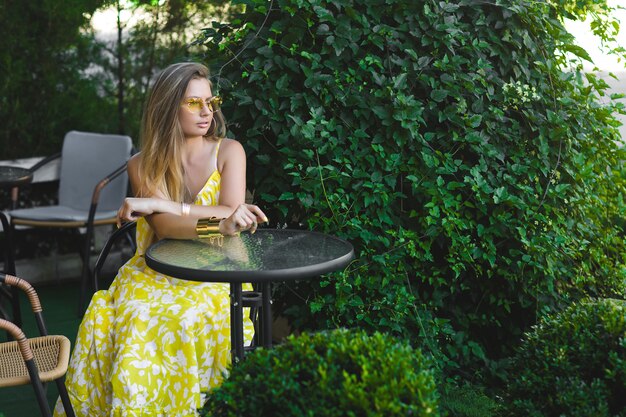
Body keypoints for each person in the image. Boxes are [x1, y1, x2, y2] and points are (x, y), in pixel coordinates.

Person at [54, 62, 267, 417]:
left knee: (187, 318)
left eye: (210, 101)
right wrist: (211, 218)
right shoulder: (142, 163)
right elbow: (168, 229)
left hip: (218, 270)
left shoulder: (229, 151)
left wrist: (155, 202)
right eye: (192, 103)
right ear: (168, 107)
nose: (206, 111)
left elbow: (230, 211)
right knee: (128, 316)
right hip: (155, 270)